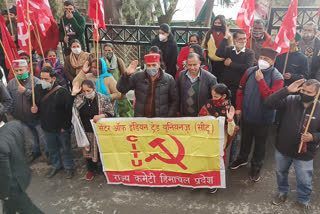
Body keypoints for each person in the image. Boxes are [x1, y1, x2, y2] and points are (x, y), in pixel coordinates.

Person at [265, 79, 320, 214]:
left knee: (304, 179)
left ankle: (303, 200)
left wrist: (313, 137)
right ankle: (282, 192)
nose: (305, 93)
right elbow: (268, 103)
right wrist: (286, 90)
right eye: (303, 90)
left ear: (317, 93)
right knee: (280, 172)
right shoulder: (290, 100)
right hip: (283, 147)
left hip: (305, 152)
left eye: (309, 92)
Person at [231, 48, 284, 182]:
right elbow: (240, 90)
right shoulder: (250, 71)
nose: (263, 61)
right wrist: (238, 107)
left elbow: (271, 99)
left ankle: (256, 166)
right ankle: (242, 158)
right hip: (247, 114)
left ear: (273, 61)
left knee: (260, 145)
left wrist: (261, 81)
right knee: (245, 140)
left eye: (267, 59)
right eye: (261, 58)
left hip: (264, 118)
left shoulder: (277, 77)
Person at [31, 66, 74, 178]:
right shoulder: (37, 89)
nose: (43, 81)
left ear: (53, 79)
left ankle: (69, 167)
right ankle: (56, 166)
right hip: (47, 126)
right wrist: (34, 110)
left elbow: (69, 111)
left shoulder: (63, 92)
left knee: (66, 148)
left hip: (61, 127)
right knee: (52, 148)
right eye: (41, 78)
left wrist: (65, 126)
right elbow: (37, 107)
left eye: (46, 79)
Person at [72, 79, 114, 181]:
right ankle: (91, 170)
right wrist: (73, 94)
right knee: (88, 152)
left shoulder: (102, 99)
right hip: (86, 130)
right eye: (84, 91)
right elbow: (73, 110)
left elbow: (111, 113)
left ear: (94, 89)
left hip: (100, 132)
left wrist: (102, 115)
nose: (86, 93)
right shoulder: (79, 99)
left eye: (88, 91)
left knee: (102, 151)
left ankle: (105, 169)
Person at [198, 83, 237, 193]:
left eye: (216, 96)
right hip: (206, 140)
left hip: (220, 143)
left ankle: (214, 183)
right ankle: (203, 179)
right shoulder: (209, 104)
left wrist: (230, 120)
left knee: (217, 164)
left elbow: (230, 131)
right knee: (205, 162)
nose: (213, 99)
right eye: (212, 96)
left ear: (223, 96)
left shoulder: (229, 109)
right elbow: (199, 118)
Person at [7, 60, 48, 163]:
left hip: (37, 117)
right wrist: (13, 112)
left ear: (27, 69)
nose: (19, 72)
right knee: (31, 137)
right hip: (21, 118)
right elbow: (8, 99)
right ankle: (35, 152)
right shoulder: (11, 83)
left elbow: (41, 98)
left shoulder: (36, 81)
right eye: (16, 71)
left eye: (21, 70)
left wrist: (26, 92)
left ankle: (49, 153)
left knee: (44, 137)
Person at [0, 118, 44, 214]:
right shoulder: (15, 124)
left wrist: (4, 193)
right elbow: (22, 147)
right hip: (22, 172)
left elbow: (4, 174)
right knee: (8, 208)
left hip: (12, 186)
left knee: (28, 209)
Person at [216, 29, 255, 107]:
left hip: (239, 86)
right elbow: (218, 53)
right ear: (234, 41)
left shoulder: (249, 53)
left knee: (235, 107)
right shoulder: (229, 50)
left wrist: (231, 64)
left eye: (244, 38)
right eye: (240, 39)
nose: (243, 41)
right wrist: (225, 38)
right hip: (225, 84)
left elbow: (247, 67)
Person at [202, 15, 233, 81]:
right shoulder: (209, 33)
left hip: (222, 61)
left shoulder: (227, 35)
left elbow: (231, 47)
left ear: (223, 23)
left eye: (219, 23)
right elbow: (204, 46)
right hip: (211, 61)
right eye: (215, 23)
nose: (217, 24)